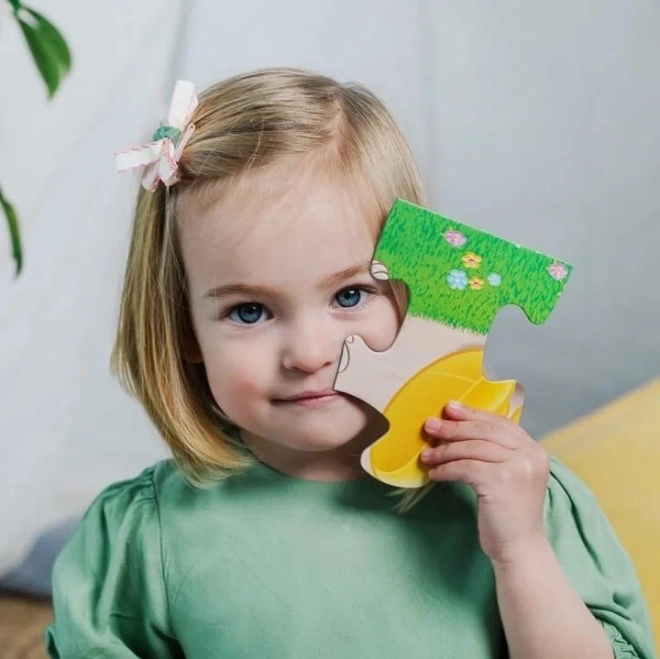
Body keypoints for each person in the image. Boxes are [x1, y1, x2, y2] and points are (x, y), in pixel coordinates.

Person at [45, 68, 655, 658]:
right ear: (183, 329)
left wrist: (520, 553)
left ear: (419, 290)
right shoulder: (143, 536)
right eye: (251, 311)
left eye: (350, 295)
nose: (310, 355)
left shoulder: (516, 498)